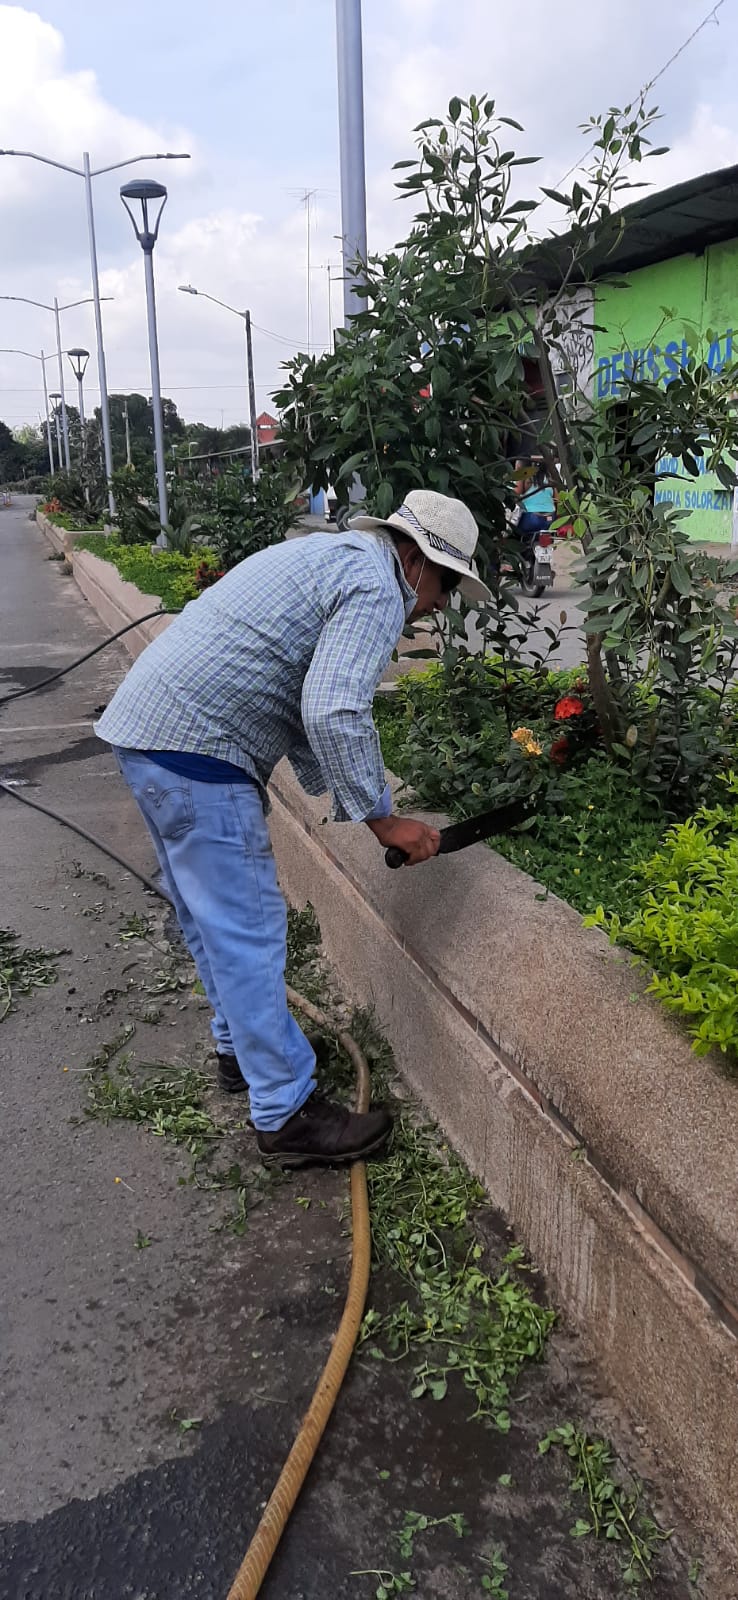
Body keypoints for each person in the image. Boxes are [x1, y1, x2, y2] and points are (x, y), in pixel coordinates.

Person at [95, 489, 491, 1168]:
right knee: (247, 933)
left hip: (152, 738)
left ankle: (241, 1054)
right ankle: (286, 1115)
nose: (439, 606)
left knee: (212, 923)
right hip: (198, 751)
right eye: (446, 586)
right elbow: (334, 709)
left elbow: (306, 699)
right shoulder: (378, 585)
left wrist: (357, 800)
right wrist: (384, 820)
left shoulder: (338, 559)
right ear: (416, 562)